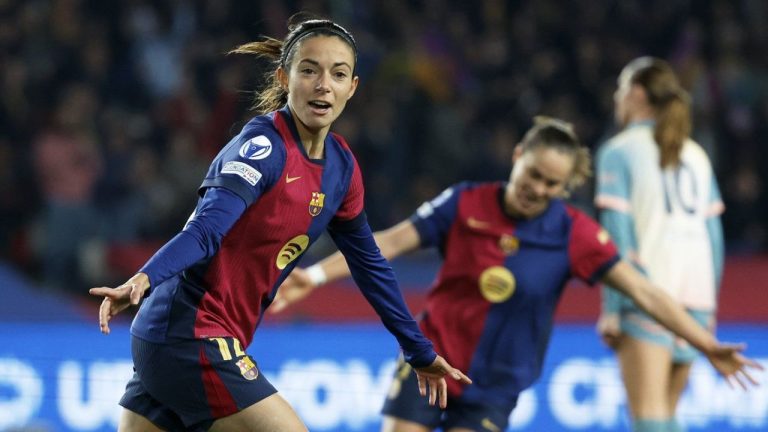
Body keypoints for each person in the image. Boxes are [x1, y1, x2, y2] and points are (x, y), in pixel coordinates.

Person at [89, 16, 470, 432]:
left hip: (177, 339)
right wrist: (142, 278)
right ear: (284, 78)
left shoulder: (342, 168)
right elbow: (205, 231)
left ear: (352, 88)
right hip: (190, 332)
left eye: (337, 74)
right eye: (309, 70)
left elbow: (369, 264)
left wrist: (418, 350)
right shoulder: (263, 149)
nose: (323, 84)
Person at [272, 116, 762, 432]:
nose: (538, 188)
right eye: (533, 175)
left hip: (495, 386)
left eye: (552, 183)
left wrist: (705, 343)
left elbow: (643, 292)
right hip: (429, 363)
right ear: (517, 158)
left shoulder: (575, 234)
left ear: (565, 187)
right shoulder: (465, 202)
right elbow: (390, 242)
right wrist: (314, 277)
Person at [594, 56, 728, 432]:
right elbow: (714, 241)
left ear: (637, 94)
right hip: (696, 300)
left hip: (648, 295)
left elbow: (617, 239)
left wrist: (613, 308)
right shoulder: (697, 155)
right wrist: (708, 310)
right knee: (667, 415)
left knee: (648, 416)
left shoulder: (618, 151)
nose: (617, 98)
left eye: (621, 89)